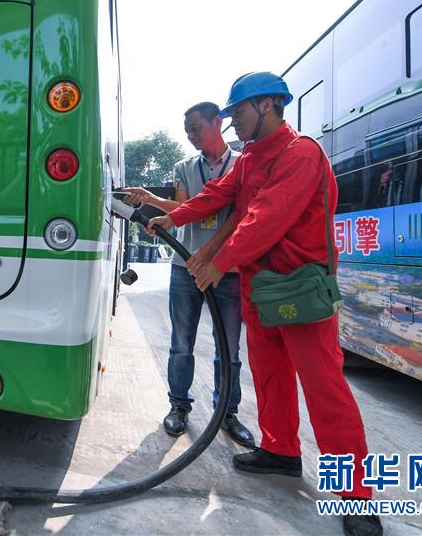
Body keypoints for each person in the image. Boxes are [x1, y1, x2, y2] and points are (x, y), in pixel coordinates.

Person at [148, 72, 381, 536]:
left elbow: (265, 217)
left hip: (299, 289)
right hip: (261, 288)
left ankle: (357, 498)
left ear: (269, 106)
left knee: (325, 390)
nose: (232, 123)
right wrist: (172, 216)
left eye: (238, 113)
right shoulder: (251, 158)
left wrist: (220, 261)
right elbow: (219, 195)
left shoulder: (302, 154)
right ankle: (280, 451)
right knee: (271, 376)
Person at [121, 102, 255, 448]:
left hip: (227, 268)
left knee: (229, 348)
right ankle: (179, 406)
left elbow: (240, 213)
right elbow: (186, 208)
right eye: (187, 131)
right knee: (182, 343)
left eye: (196, 128)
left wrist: (215, 255)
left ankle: (227, 412)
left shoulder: (243, 164)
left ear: (218, 122)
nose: (191, 136)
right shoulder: (184, 166)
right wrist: (152, 200)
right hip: (185, 266)